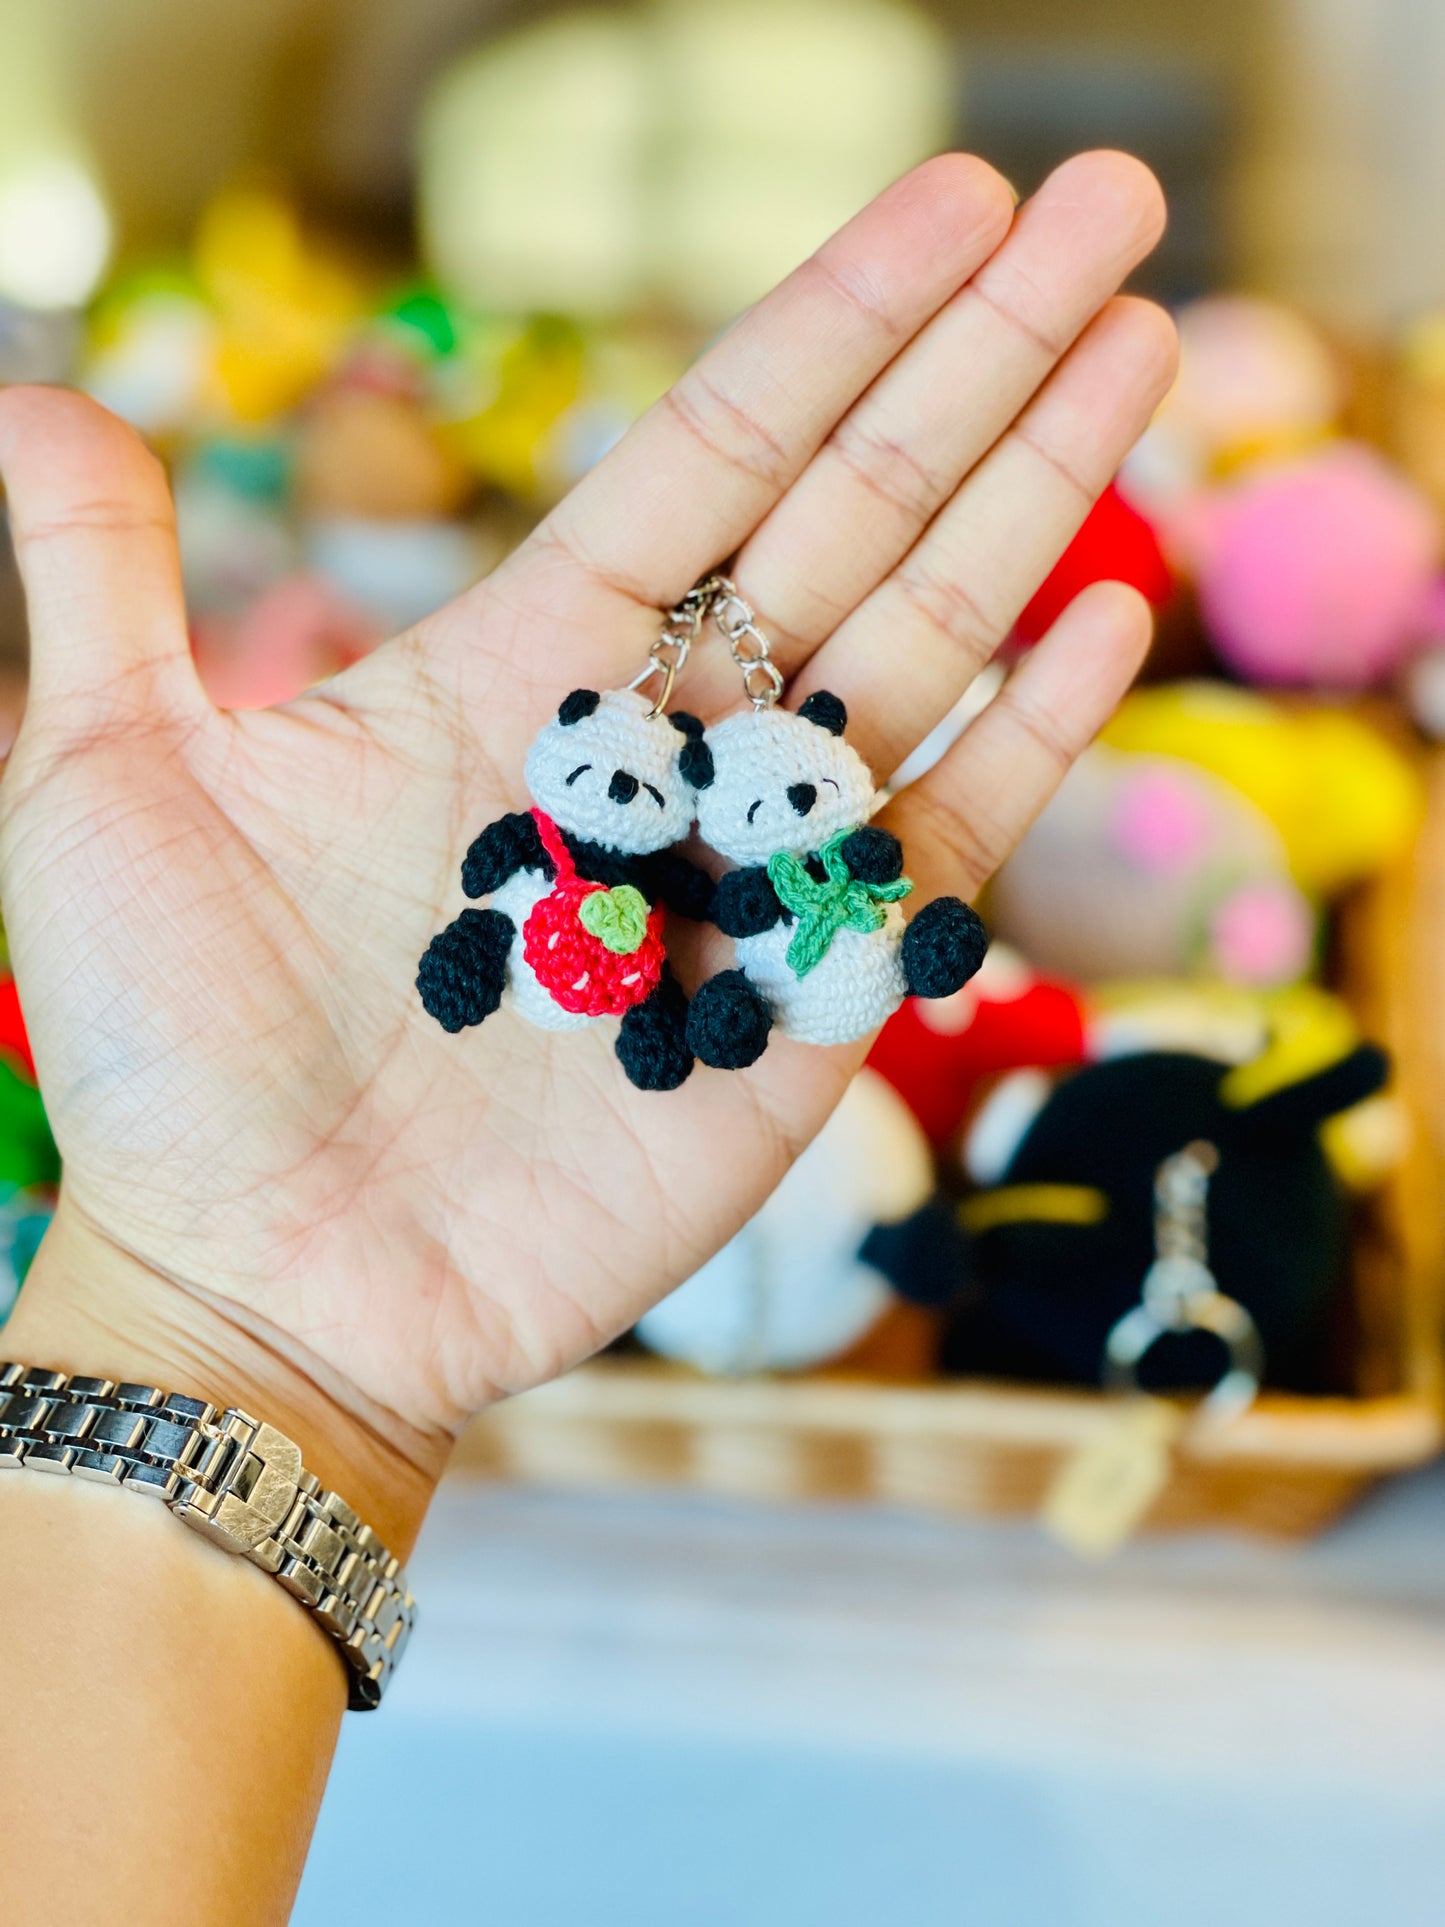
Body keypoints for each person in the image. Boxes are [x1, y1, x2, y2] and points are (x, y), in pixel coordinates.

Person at [0, 148, 1173, 1921]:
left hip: (706, 957)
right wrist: (221, 1326)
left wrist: (217, 1332)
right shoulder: (578, 822)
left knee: (707, 993)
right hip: (599, 959)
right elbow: (504, 860)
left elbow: (855, 907)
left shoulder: (789, 835)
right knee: (637, 995)